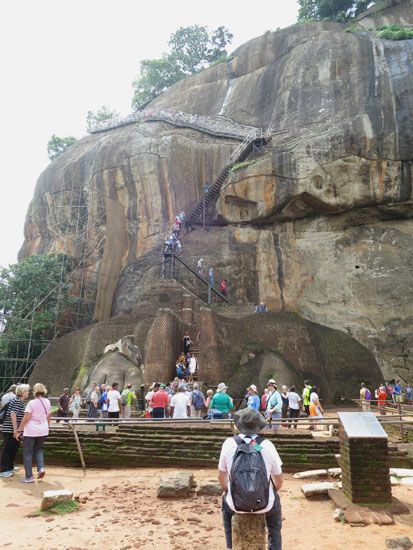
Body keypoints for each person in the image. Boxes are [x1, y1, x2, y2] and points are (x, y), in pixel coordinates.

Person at [218, 408, 283, 550]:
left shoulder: (229, 443)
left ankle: (230, 546)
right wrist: (270, 489)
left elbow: (222, 477)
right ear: (258, 426)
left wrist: (228, 490)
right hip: (265, 504)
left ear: (239, 425)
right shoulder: (265, 446)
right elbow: (279, 481)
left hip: (236, 504)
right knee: (274, 525)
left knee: (226, 510)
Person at [17, 382, 51, 483]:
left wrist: (19, 430)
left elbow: (26, 418)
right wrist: (47, 427)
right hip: (43, 430)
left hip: (31, 431)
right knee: (38, 449)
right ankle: (41, 468)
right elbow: (49, 416)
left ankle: (29, 477)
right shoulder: (47, 402)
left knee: (27, 453)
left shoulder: (31, 403)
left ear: (34, 392)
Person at [0, 384, 30, 478]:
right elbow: (13, 414)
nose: (28, 392)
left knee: (13, 448)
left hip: (13, 430)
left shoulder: (18, 401)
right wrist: (15, 430)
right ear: (22, 392)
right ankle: (3, 469)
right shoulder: (17, 401)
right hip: (10, 430)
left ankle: (9, 467)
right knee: (7, 449)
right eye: (27, 391)